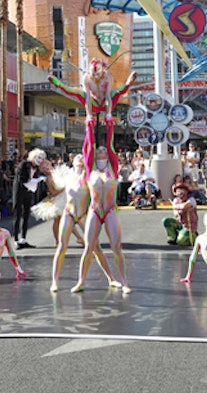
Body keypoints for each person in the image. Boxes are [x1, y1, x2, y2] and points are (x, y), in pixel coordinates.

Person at [70, 114, 131, 294]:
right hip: (95, 210)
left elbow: (111, 146)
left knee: (116, 248)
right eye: (99, 150)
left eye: (104, 149)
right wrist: (90, 126)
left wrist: (110, 126)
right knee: (89, 247)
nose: (102, 150)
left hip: (111, 210)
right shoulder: (90, 169)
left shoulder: (113, 168)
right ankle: (81, 281)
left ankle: (124, 282)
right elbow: (89, 147)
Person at [50, 154, 121, 292]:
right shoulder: (68, 175)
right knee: (61, 247)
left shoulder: (89, 176)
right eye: (78, 157)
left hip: (83, 214)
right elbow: (55, 190)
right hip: (69, 212)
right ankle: (54, 282)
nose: (80, 159)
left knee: (96, 248)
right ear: (73, 161)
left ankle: (111, 278)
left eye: (83, 157)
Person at [12, 148, 47, 249]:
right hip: (19, 191)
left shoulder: (36, 169)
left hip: (28, 193)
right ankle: (15, 240)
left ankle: (23, 239)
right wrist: (37, 180)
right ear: (33, 157)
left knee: (26, 214)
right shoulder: (24, 164)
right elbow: (23, 180)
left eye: (41, 158)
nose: (39, 160)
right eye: (38, 157)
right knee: (17, 215)